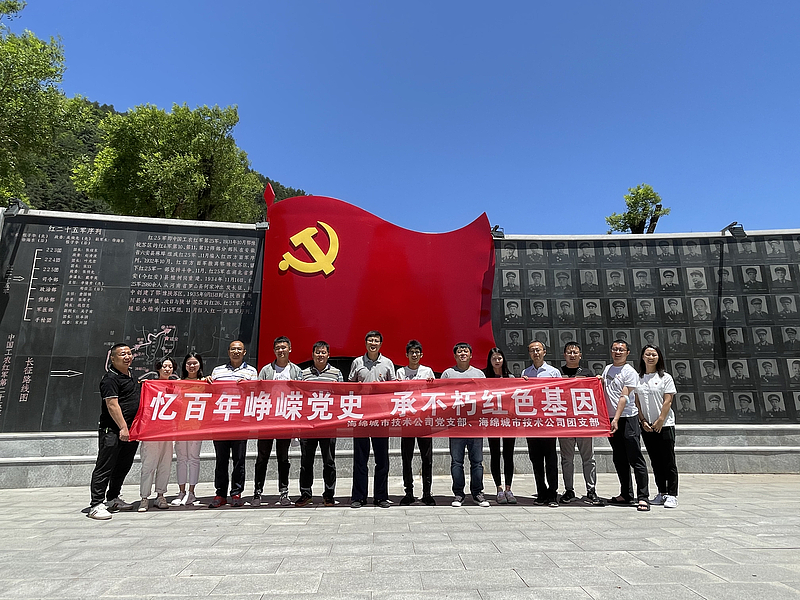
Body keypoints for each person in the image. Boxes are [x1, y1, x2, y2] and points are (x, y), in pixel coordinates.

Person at [88, 343, 141, 520]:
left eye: (129, 353)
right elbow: (112, 404)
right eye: (122, 354)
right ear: (112, 358)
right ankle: (96, 504)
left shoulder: (132, 376)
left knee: (123, 466)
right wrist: (123, 427)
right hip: (112, 430)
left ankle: (113, 498)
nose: (127, 357)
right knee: (105, 466)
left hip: (131, 432)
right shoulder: (110, 379)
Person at [208, 340, 258, 508]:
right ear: (228, 352)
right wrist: (207, 382)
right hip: (220, 422)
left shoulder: (251, 372)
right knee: (221, 460)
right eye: (233, 349)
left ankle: (236, 493)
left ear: (244, 352)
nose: (236, 352)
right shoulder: (217, 371)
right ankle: (220, 494)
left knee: (239, 460)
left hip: (240, 422)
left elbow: (256, 393)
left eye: (239, 349)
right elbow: (210, 393)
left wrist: (248, 386)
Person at [349, 331, 396, 509]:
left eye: (376, 340)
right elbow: (349, 386)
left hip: (381, 416)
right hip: (361, 416)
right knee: (360, 458)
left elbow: (394, 388)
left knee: (382, 459)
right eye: (370, 340)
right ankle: (358, 497)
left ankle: (381, 496)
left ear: (380, 344)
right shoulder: (357, 362)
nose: (373, 343)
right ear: (365, 342)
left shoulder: (387, 363)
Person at [253, 336, 302, 507]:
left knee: (283, 457)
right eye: (278, 348)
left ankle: (284, 492)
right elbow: (257, 392)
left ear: (290, 349)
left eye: (284, 347)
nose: (281, 350)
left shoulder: (296, 371)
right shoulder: (266, 370)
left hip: (285, 420)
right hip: (267, 420)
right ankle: (257, 492)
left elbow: (301, 394)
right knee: (262, 457)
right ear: (274, 351)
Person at [601, 340, 650, 511]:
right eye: (615, 349)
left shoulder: (630, 372)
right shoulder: (607, 369)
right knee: (619, 458)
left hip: (627, 418)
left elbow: (625, 397)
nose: (617, 352)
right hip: (611, 418)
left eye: (621, 350)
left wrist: (616, 418)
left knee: (635, 458)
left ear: (627, 352)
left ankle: (643, 497)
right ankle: (626, 494)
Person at [441, 342, 489, 507]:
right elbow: (440, 396)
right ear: (455, 355)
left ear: (471, 355)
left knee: (477, 462)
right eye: (459, 351)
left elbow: (486, 396)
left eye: (465, 351)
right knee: (457, 462)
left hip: (475, 424)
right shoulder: (448, 374)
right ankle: (459, 494)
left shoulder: (479, 374)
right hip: (455, 425)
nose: (462, 353)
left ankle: (477, 493)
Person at [298, 341, 342, 507]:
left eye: (323, 352)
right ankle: (306, 494)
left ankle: (329, 494)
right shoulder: (303, 374)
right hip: (308, 425)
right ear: (313, 354)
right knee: (306, 462)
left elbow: (341, 397)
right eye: (317, 352)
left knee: (329, 462)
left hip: (328, 425)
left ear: (328, 355)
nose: (320, 355)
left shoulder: (337, 373)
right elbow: (298, 396)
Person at [634, 345, 678, 509]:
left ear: (658, 357)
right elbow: (637, 401)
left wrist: (660, 420)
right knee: (655, 461)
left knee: (668, 461)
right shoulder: (638, 378)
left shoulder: (665, 377)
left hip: (664, 425)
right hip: (647, 426)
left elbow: (668, 401)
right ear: (642, 357)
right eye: (648, 354)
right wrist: (642, 420)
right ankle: (662, 492)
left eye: (654, 354)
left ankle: (672, 494)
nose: (651, 357)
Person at [557, 342, 602, 505]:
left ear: (580, 355)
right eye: (569, 352)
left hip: (583, 422)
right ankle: (569, 490)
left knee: (588, 458)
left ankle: (591, 490)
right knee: (566, 459)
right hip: (565, 422)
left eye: (575, 352)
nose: (572, 355)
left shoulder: (588, 373)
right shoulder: (558, 373)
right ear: (564, 355)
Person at [396, 340, 436, 506]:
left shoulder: (427, 371)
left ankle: (427, 492)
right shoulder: (400, 372)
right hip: (407, 420)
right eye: (411, 352)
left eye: (417, 352)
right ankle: (409, 492)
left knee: (427, 458)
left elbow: (435, 392)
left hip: (424, 420)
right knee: (407, 458)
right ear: (407, 355)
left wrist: (432, 384)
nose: (414, 355)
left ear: (421, 355)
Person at [521, 341, 561, 507]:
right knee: (535, 459)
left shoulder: (553, 372)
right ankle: (541, 492)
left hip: (548, 422)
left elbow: (561, 393)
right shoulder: (526, 372)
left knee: (550, 459)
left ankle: (552, 494)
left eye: (538, 350)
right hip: (531, 422)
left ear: (544, 352)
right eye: (532, 350)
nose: (535, 353)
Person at [138, 357, 178, 512]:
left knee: (165, 465)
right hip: (152, 432)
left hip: (168, 431)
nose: (167, 369)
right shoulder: (150, 385)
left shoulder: (176, 386)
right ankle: (144, 498)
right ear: (158, 368)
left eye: (170, 367)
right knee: (149, 465)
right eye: (164, 366)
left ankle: (160, 495)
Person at [483, 347, 517, 505]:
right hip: (492, 421)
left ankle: (509, 489)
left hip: (509, 421)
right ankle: (499, 489)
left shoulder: (511, 377)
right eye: (494, 358)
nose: (497, 361)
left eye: (499, 358)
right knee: (495, 454)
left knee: (509, 454)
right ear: (489, 361)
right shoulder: (485, 378)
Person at [171, 352, 204, 506]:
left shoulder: (205, 382)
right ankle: (181, 491)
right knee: (181, 459)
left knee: (194, 458)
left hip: (197, 426)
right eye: (189, 363)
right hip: (180, 426)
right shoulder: (179, 383)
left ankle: (191, 492)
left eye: (195, 363)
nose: (192, 366)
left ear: (200, 365)